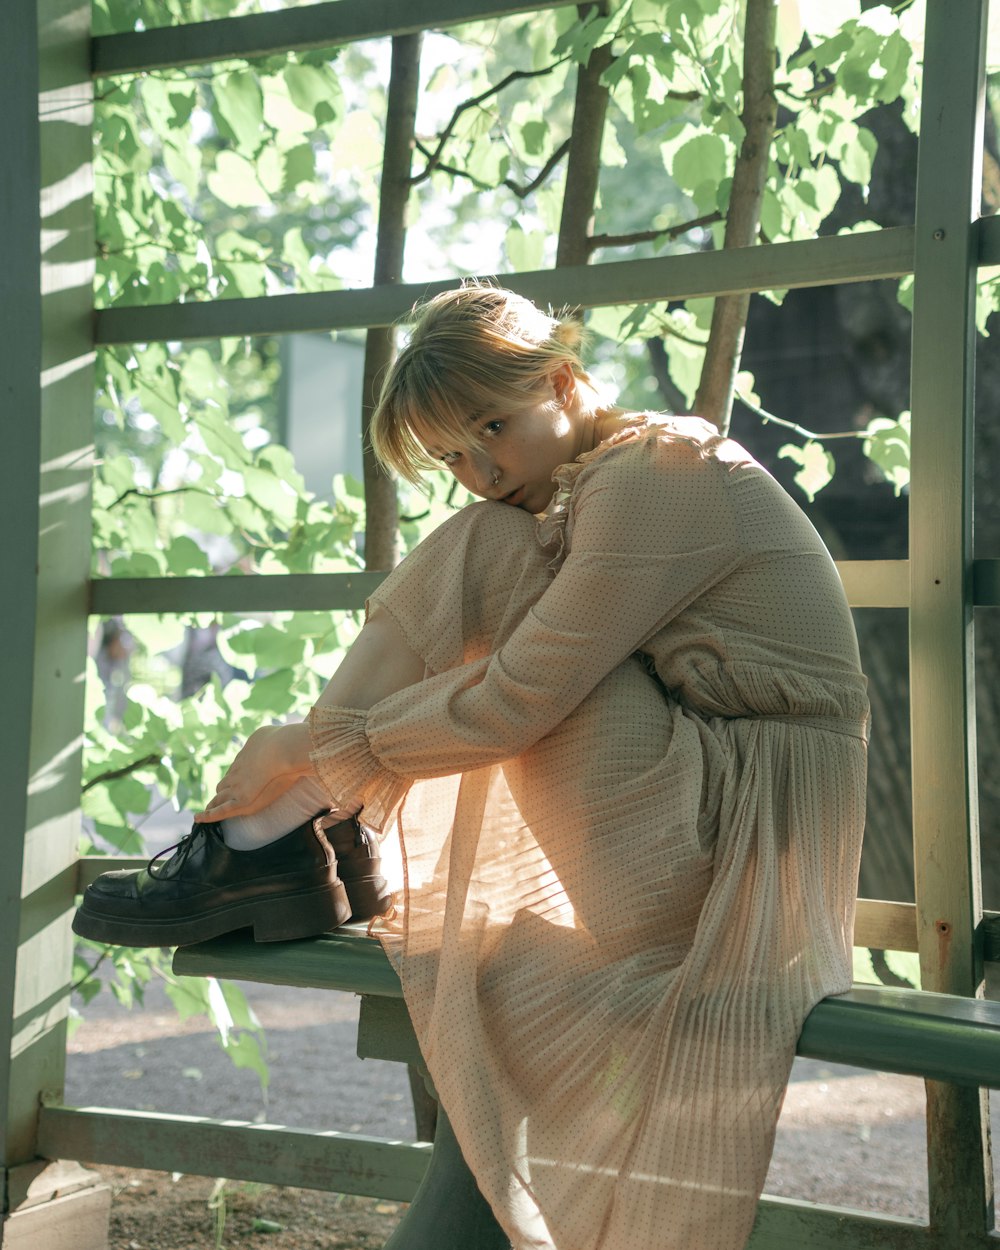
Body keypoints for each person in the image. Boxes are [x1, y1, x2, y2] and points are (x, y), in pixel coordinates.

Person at [74, 282, 869, 1250]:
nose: (480, 468)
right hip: (710, 810)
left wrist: (317, 743)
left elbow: (521, 700)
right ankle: (300, 827)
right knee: (494, 540)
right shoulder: (591, 482)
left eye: (493, 426)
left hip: (746, 843)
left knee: (496, 575)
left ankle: (292, 826)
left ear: (564, 379)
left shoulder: (654, 470)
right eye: (451, 453)